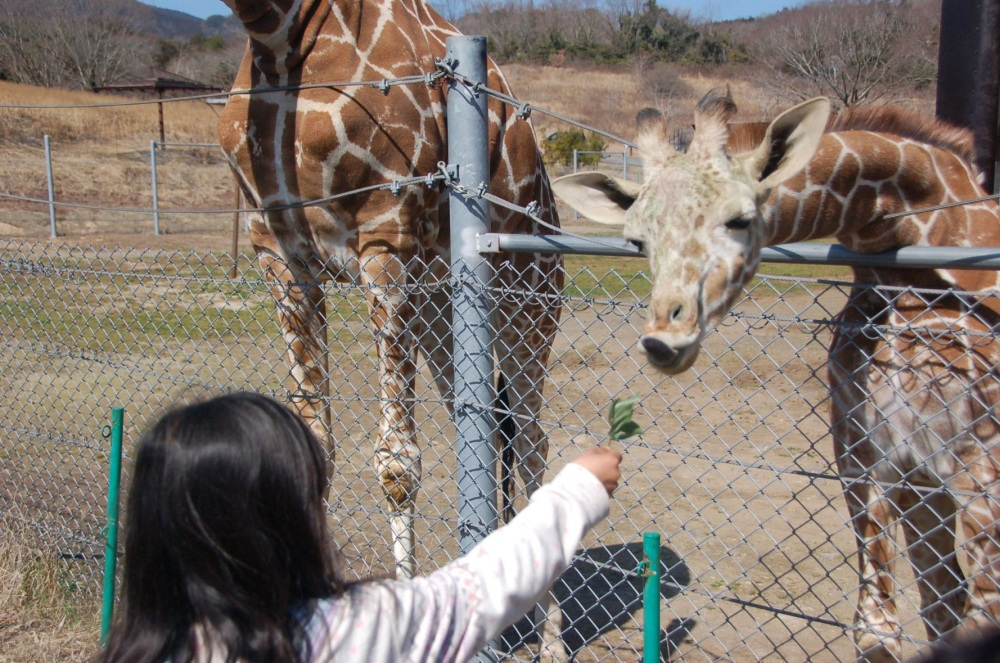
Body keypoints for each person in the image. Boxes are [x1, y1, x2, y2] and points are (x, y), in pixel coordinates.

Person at [96, 391, 622, 662]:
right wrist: (575, 488)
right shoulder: (353, 632)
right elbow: (480, 591)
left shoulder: (141, 649)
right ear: (287, 523)